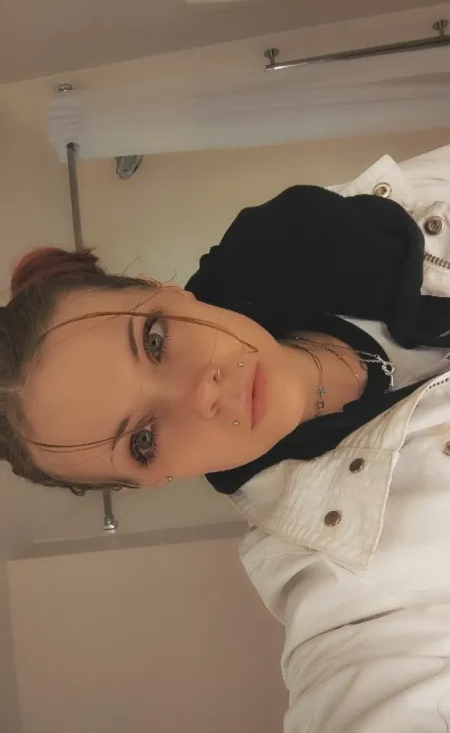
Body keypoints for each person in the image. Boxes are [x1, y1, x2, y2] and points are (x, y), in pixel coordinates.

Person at [1, 144, 450, 730]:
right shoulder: (341, 583)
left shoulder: (328, 229)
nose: (201, 398)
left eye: (155, 341)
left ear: (162, 288)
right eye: (142, 441)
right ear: (150, 480)